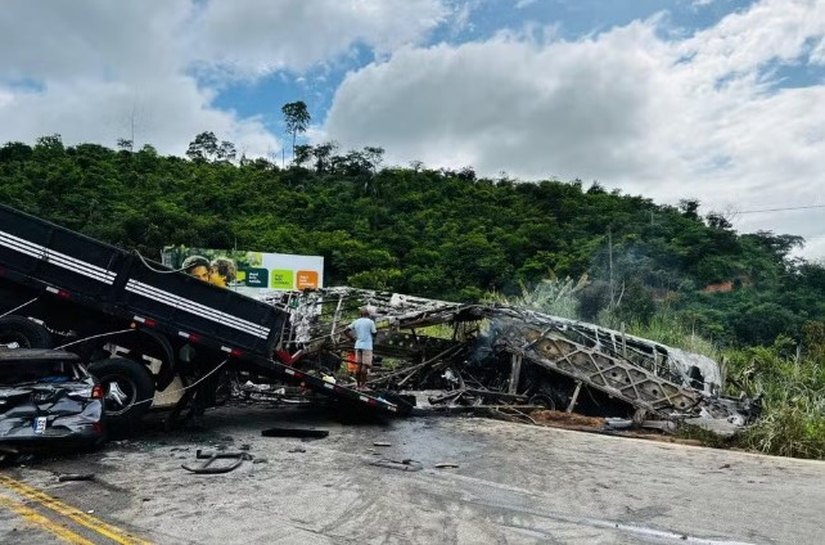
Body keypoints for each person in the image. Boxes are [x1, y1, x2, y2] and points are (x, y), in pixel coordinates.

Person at [345, 308, 377, 389]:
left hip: (358, 345)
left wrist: (351, 338)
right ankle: (363, 385)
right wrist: (373, 338)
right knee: (365, 366)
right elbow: (374, 332)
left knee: (358, 365)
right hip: (367, 346)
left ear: (360, 314)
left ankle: (358, 384)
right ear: (368, 315)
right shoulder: (370, 322)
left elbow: (345, 331)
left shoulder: (356, 321)